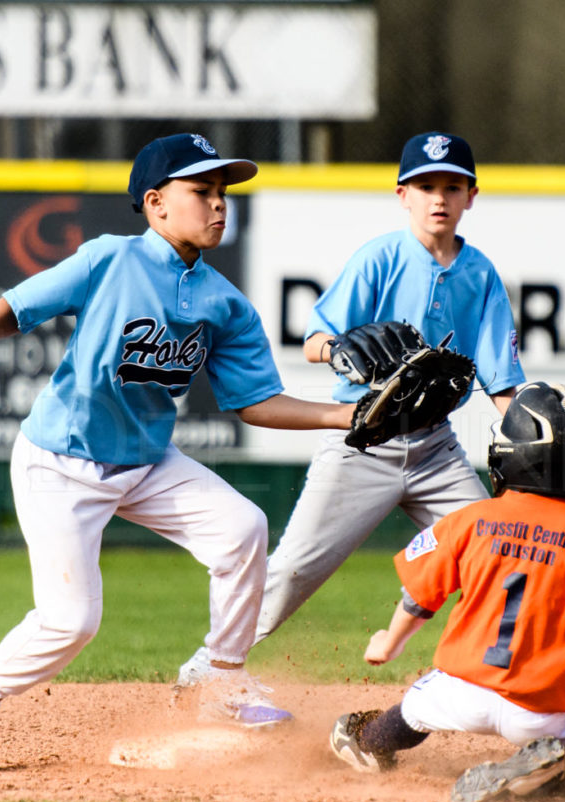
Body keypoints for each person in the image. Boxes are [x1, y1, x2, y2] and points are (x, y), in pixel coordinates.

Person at [0, 133, 354, 773]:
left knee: (241, 528)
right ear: (156, 203)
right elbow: (23, 307)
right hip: (60, 461)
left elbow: (257, 401)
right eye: (200, 191)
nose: (218, 205)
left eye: (222, 193)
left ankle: (220, 682)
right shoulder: (109, 259)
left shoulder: (223, 303)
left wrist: (348, 414)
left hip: (145, 462)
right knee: (70, 621)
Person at [177, 131, 526, 686]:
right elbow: (316, 339)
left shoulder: (480, 275)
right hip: (362, 441)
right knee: (292, 571)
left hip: (437, 450)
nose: (439, 198)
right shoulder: (380, 258)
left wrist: (530, 436)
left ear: (471, 196)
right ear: (403, 195)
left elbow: (502, 382)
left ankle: (490, 681)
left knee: (502, 556)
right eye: (426, 185)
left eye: (451, 186)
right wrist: (336, 349)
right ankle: (210, 668)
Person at [327, 382, 565, 802]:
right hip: (539, 711)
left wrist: (389, 643)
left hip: (457, 693)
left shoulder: (470, 520)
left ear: (513, 451)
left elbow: (420, 596)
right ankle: (553, 772)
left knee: (411, 710)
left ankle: (369, 744)